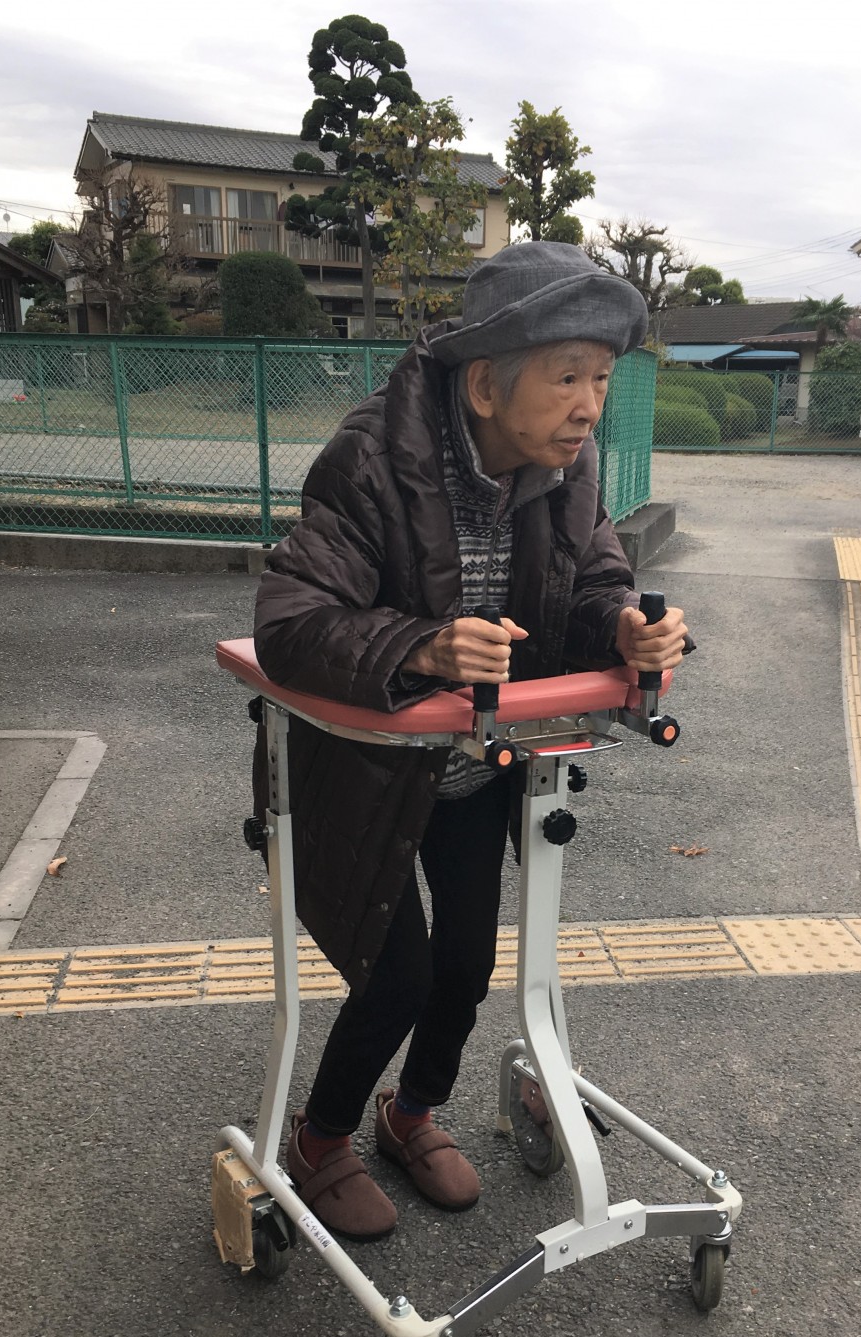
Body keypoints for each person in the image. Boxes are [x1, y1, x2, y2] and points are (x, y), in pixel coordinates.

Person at [253, 240, 689, 1241]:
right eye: (567, 376)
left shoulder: (564, 473)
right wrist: (422, 646)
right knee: (397, 974)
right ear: (486, 385)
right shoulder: (372, 458)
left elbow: (591, 585)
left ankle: (410, 1114)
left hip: (477, 762)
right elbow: (290, 618)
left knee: (466, 965)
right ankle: (319, 1139)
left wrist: (626, 628)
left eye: (601, 378)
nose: (590, 405)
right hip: (366, 766)